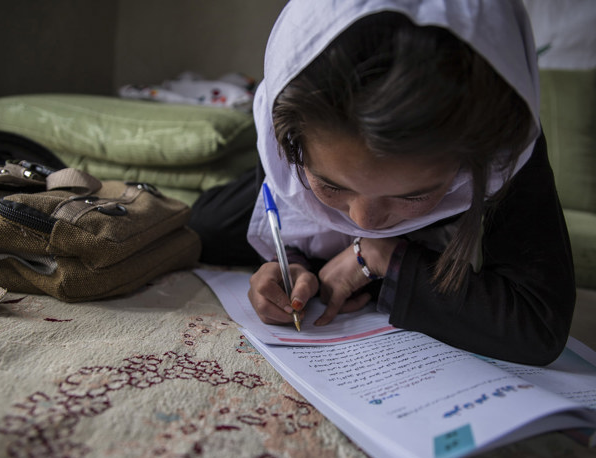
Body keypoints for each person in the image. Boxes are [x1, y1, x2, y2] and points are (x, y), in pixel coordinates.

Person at [189, 0, 575, 366]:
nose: (366, 220)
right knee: (202, 226)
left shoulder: (504, 146)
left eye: (414, 194)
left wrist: (381, 256)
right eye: (334, 184)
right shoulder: (286, 113)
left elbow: (537, 325)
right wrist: (289, 262)